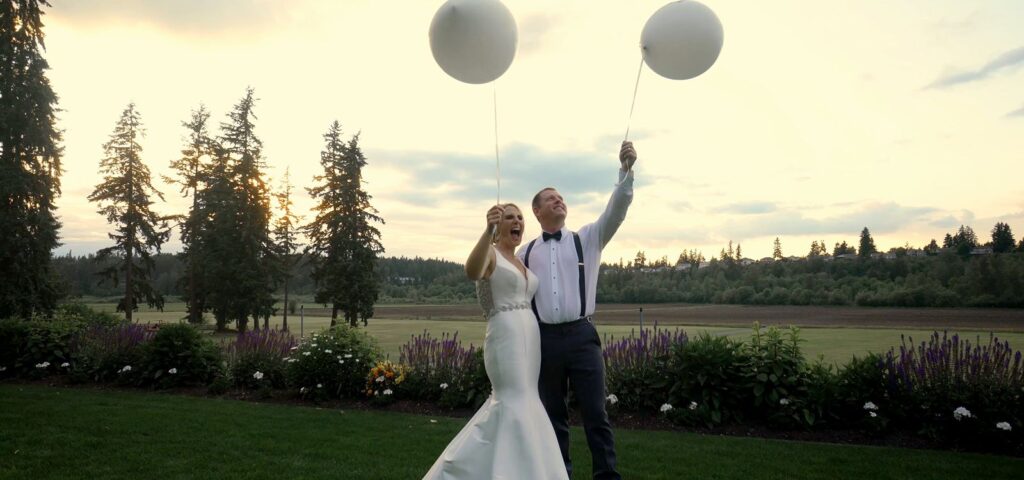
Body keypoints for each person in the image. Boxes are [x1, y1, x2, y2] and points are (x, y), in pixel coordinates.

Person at [517, 141, 636, 480]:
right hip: (546, 340)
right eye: (551, 198)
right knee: (553, 415)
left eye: (562, 197)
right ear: (538, 212)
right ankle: (560, 475)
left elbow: (617, 209)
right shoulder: (525, 253)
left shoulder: (588, 238)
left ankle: (606, 476)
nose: (560, 200)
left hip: (583, 337)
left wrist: (625, 173)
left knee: (596, 414)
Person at [423, 203, 568, 480]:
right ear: (498, 225)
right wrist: (486, 231)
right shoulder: (489, 253)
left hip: (530, 340)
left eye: (520, 217)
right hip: (505, 338)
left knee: (528, 399)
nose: (517, 222)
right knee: (510, 401)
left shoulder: (520, 260)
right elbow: (472, 270)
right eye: (510, 217)